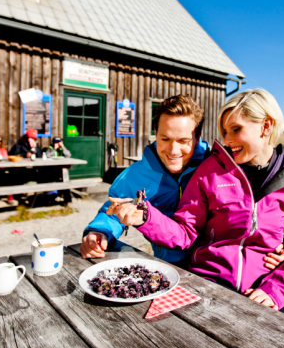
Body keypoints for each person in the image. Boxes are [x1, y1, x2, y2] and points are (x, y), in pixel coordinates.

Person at [109, 89, 284, 323]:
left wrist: (274, 290)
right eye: (224, 131)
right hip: (208, 279)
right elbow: (185, 231)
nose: (228, 140)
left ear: (266, 126)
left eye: (236, 129)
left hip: (263, 285)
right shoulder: (210, 170)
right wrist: (146, 217)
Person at [80, 95, 211, 266]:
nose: (173, 150)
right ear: (155, 133)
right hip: (167, 265)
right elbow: (113, 210)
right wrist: (99, 231)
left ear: (197, 137)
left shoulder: (214, 169)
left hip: (211, 270)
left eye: (183, 141)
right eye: (165, 139)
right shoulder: (136, 175)